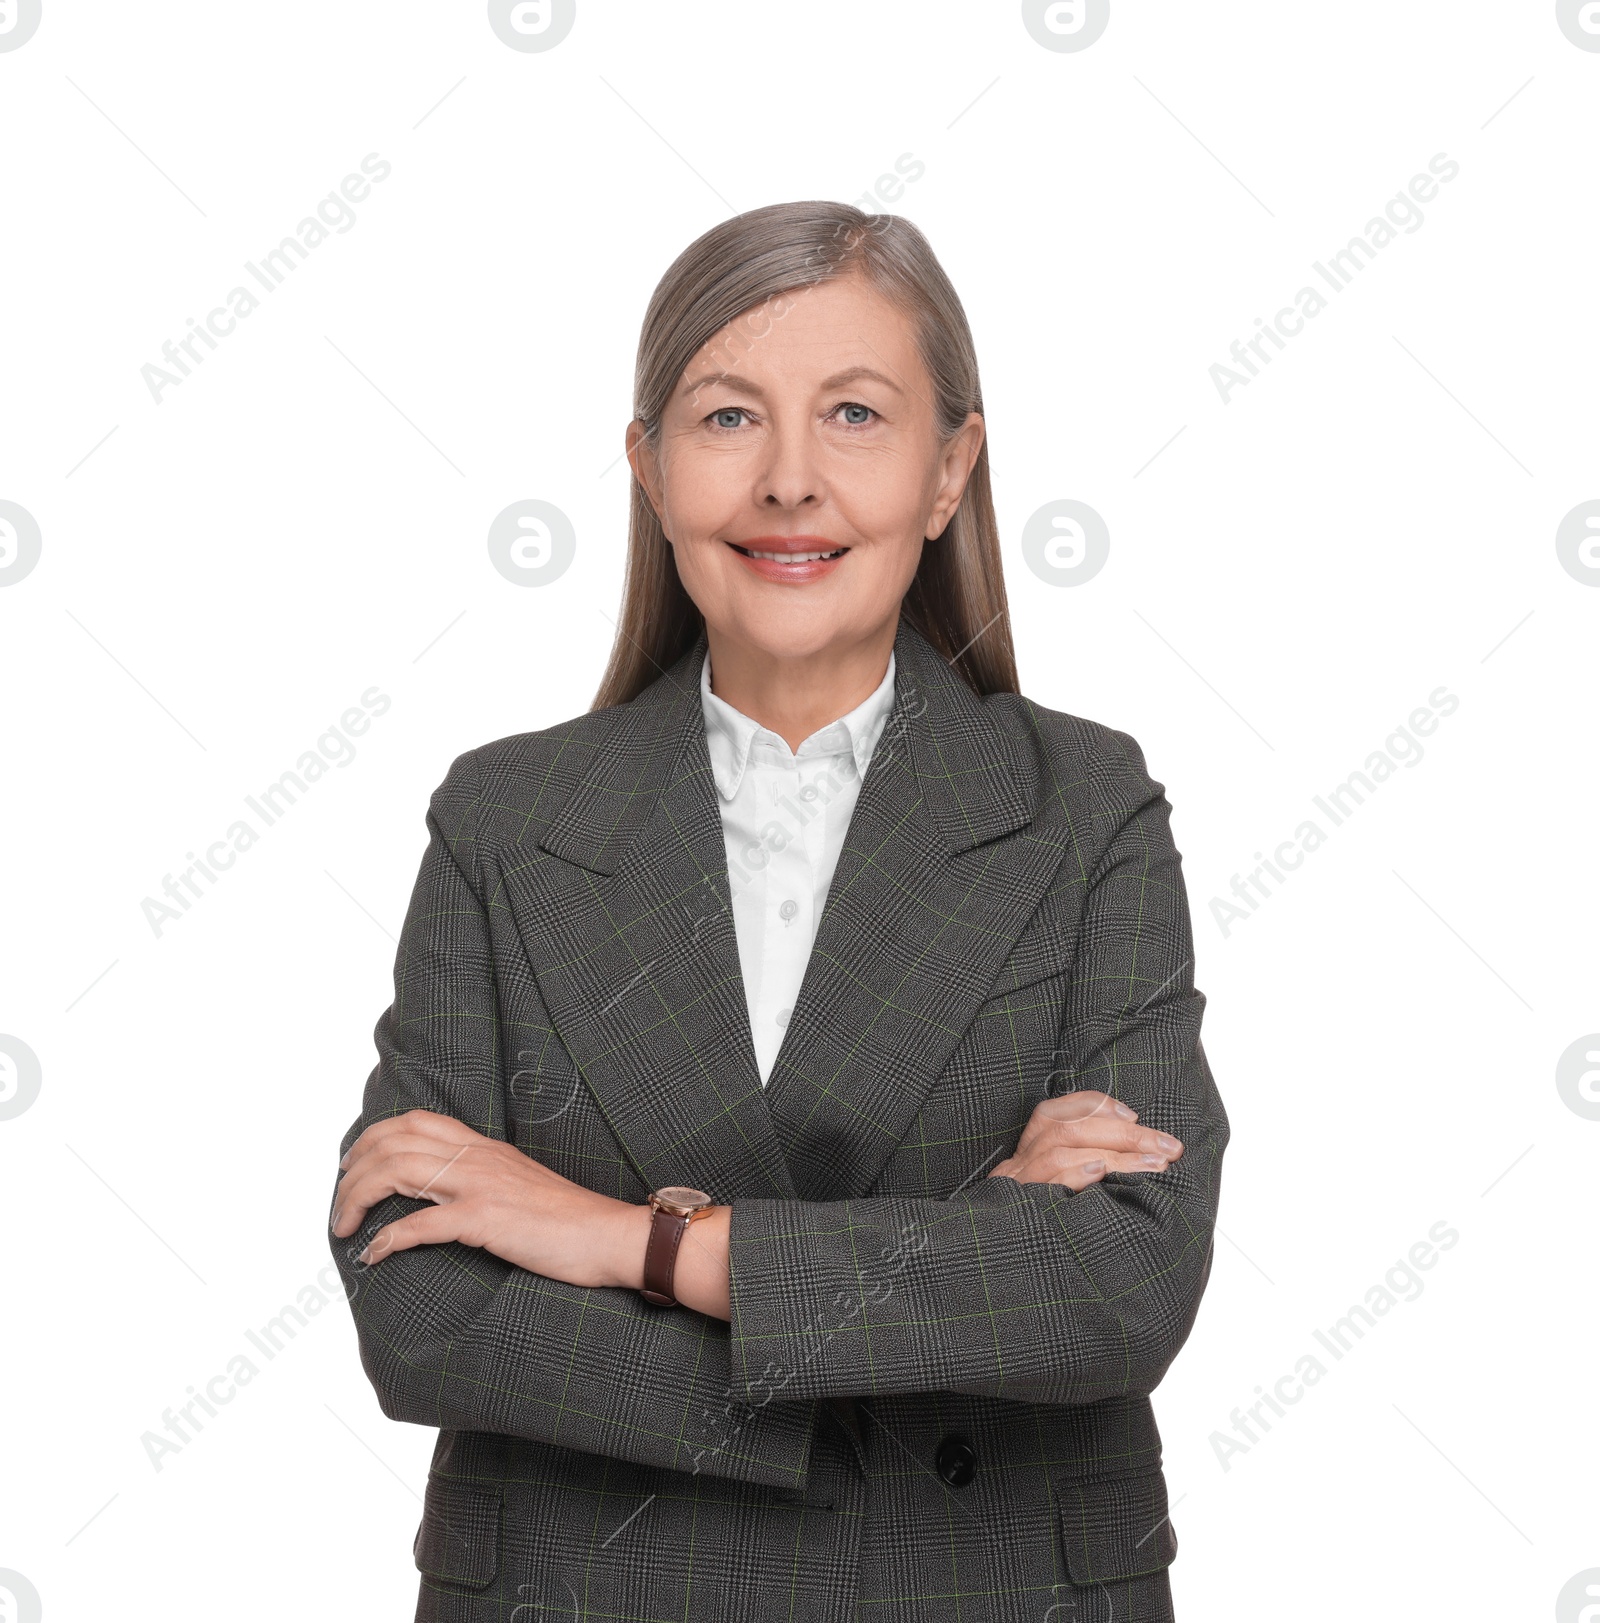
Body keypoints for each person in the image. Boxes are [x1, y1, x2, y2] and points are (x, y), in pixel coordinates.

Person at [329, 200, 1229, 1623]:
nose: (791, 482)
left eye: (857, 416)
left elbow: (1122, 1284)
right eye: (730, 417)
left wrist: (632, 1241)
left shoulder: (1084, 808)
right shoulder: (505, 822)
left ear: (950, 472)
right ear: (649, 467)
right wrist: (948, 1264)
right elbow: (419, 1305)